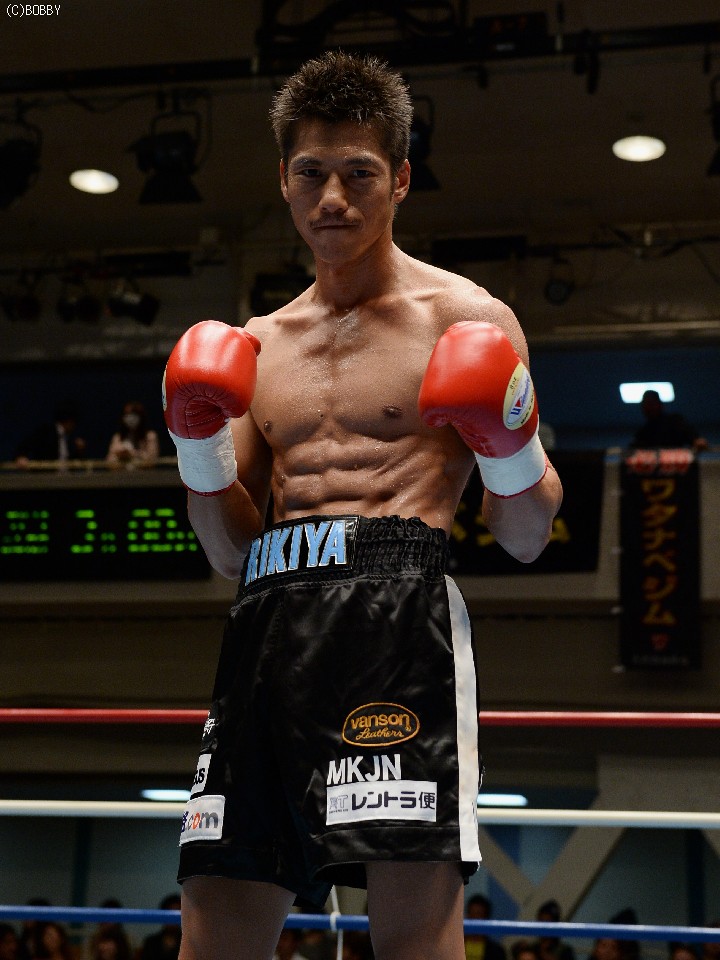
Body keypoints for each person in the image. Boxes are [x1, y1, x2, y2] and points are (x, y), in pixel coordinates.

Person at [164, 50, 562, 960]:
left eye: (359, 173)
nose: (332, 198)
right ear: (284, 179)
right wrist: (197, 446)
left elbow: (528, 535)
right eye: (312, 173)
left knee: (413, 937)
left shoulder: (464, 319)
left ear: (401, 179)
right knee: (214, 924)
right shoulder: (257, 344)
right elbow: (228, 553)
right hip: (266, 621)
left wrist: (508, 450)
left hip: (397, 618)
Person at [632, 389, 708, 451]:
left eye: (651, 404)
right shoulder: (643, 432)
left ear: (660, 404)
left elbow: (689, 433)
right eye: (645, 405)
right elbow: (633, 449)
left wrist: (697, 440)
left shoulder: (674, 421)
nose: (649, 408)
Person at [14, 406, 86, 466]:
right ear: (69, 421)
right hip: (46, 476)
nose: (74, 426)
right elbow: (26, 444)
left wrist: (79, 450)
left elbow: (71, 462)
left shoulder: (70, 438)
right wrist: (21, 456)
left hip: (65, 477)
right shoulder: (46, 432)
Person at [106, 400, 159, 468]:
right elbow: (109, 462)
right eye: (127, 414)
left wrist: (132, 454)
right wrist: (119, 456)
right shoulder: (117, 438)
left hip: (143, 474)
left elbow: (152, 461)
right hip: (122, 473)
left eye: (134, 414)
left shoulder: (150, 436)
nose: (130, 418)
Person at [464, 894, 506, 960]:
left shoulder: (496, 951)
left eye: (478, 915)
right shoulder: (454, 947)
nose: (474, 919)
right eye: (471, 914)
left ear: (486, 918)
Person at [138, 895, 181, 960]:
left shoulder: (188, 943)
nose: (173, 918)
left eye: (177, 913)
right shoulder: (151, 942)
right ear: (162, 915)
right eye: (170, 913)